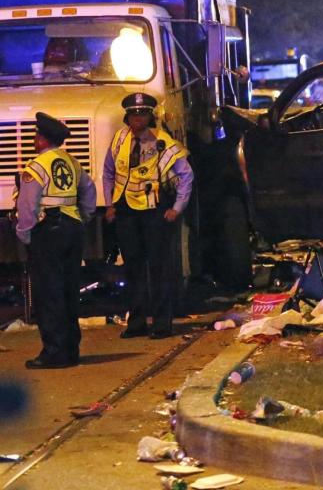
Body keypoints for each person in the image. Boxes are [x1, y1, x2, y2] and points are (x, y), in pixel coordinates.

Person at [103, 93, 194, 339]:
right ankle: (137, 322)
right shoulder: (120, 139)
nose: (137, 119)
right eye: (134, 114)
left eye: (142, 114)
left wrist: (177, 207)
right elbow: (109, 172)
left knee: (159, 269)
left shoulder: (164, 143)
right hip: (127, 213)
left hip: (155, 213)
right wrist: (110, 203)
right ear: (127, 116)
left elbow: (186, 176)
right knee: (132, 268)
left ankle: (162, 323)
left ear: (150, 116)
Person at [15, 113, 96, 368]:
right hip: (73, 228)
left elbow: (27, 204)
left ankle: (54, 352)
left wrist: (24, 233)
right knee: (69, 290)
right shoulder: (72, 162)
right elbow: (89, 190)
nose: (34, 139)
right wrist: (84, 216)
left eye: (36, 135)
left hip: (47, 231)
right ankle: (71, 350)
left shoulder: (36, 166)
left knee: (48, 292)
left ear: (42, 139)